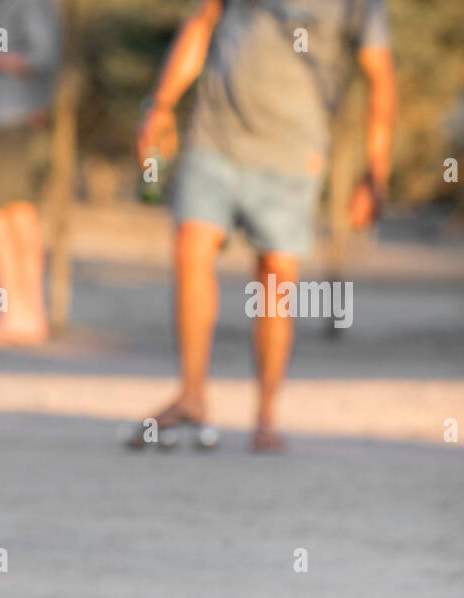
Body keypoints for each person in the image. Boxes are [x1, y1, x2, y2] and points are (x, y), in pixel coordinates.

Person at [129, 0, 395, 451]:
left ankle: (266, 416)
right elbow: (200, 24)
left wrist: (375, 172)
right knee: (191, 245)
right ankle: (192, 395)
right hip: (215, 136)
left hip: (294, 154)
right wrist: (161, 102)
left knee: (275, 281)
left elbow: (381, 79)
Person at [0, 0, 63, 348]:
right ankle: (17, 313)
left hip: (15, 118)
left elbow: (42, 57)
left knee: (13, 212)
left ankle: (26, 316)